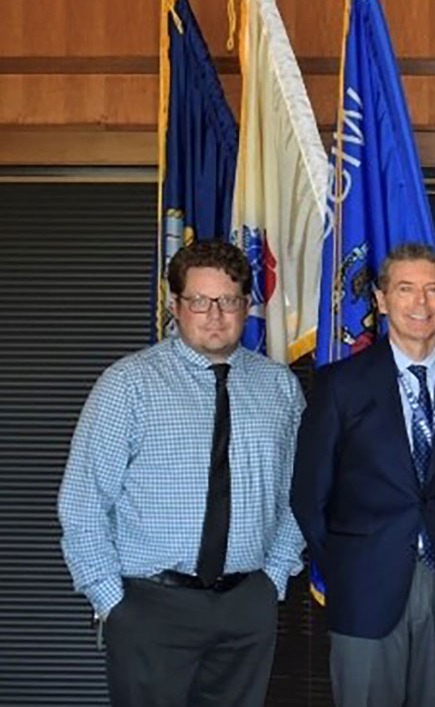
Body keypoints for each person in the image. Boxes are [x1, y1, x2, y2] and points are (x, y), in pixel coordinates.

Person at [57, 239, 305, 706]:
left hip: (246, 606)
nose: (214, 315)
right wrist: (114, 603)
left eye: (228, 300)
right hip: (150, 606)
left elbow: (297, 495)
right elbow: (83, 502)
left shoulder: (280, 389)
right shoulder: (127, 385)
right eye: (198, 301)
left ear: (247, 305)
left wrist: (273, 578)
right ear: (174, 305)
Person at [291, 243, 435, 707]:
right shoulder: (339, 385)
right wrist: (350, 569)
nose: (420, 303)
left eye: (432, 290)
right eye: (405, 289)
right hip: (365, 589)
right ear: (381, 300)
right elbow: (309, 497)